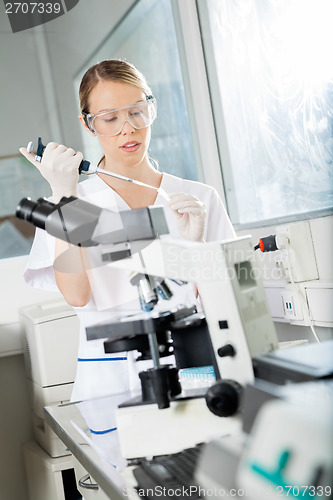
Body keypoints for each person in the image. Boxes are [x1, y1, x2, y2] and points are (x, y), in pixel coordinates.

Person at [20, 59, 235, 403]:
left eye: (136, 111)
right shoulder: (72, 202)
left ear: (152, 109)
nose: (127, 129)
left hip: (194, 368)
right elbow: (76, 294)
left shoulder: (198, 198)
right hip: (110, 380)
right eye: (109, 118)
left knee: (201, 445)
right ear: (88, 125)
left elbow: (229, 302)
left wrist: (197, 249)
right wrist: (64, 198)